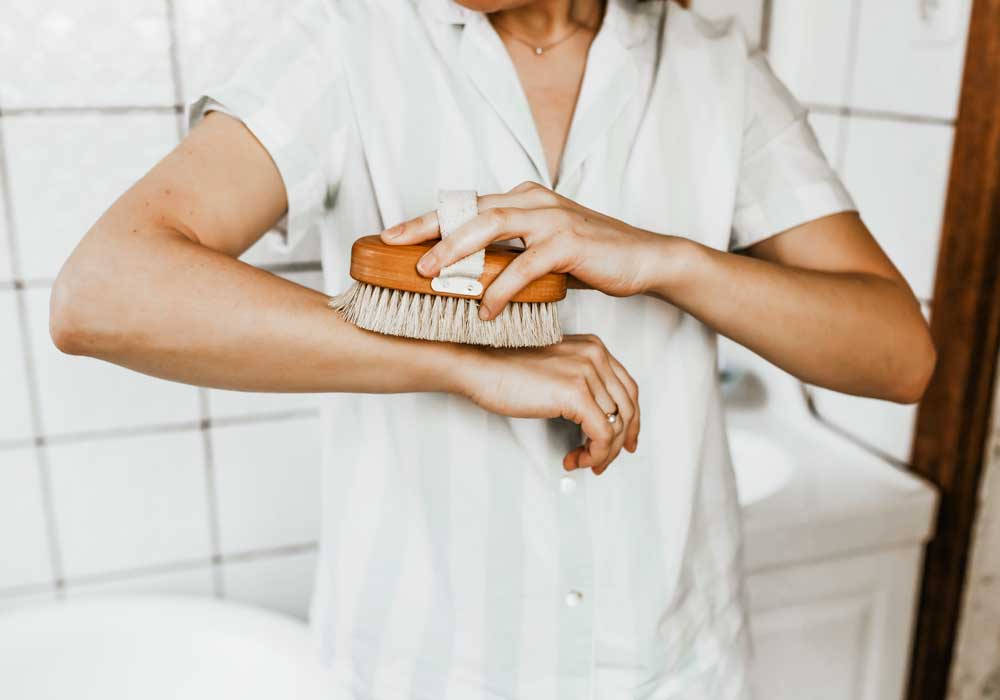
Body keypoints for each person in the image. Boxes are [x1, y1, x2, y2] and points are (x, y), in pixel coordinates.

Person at [49, 0, 936, 697]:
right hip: (421, 676)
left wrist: (663, 258)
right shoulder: (346, 38)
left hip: (679, 673)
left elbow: (898, 356)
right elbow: (104, 290)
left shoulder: (716, 73)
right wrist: (466, 362)